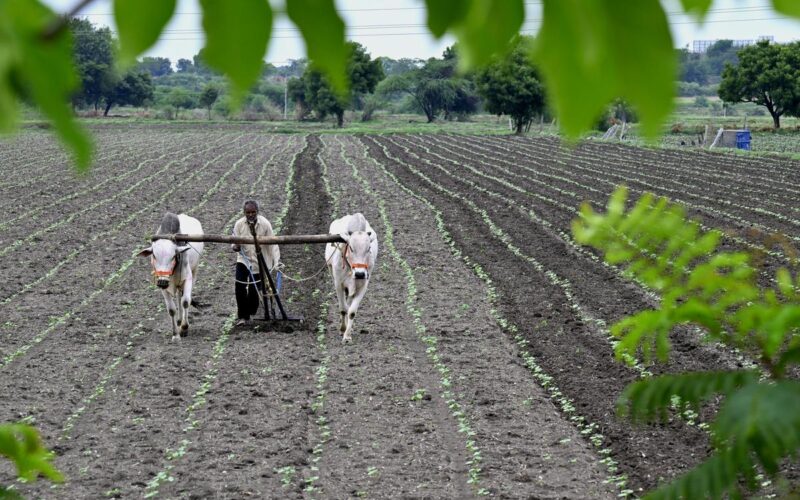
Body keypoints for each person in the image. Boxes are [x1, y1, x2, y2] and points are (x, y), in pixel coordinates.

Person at [231, 200, 280, 326]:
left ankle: (251, 313)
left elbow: (273, 243)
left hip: (261, 261)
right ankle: (243, 316)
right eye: (248, 212)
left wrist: (277, 261)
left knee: (254, 290)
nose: (251, 215)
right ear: (244, 213)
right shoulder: (239, 224)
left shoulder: (265, 224)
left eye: (253, 212)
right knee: (239, 286)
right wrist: (235, 246)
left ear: (257, 212)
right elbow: (234, 240)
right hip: (244, 259)